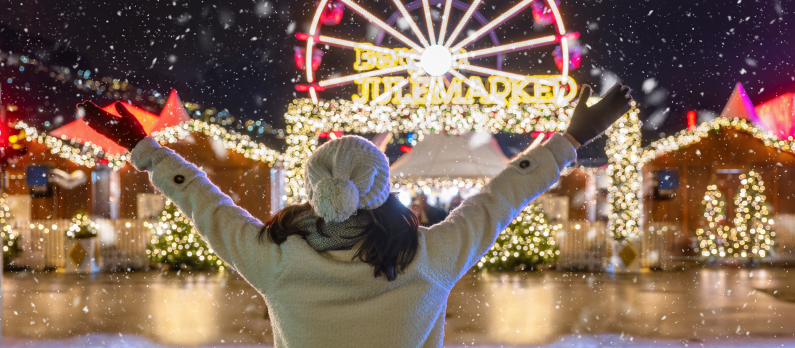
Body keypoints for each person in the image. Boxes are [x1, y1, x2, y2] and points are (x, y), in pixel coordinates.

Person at [78, 83, 632, 347]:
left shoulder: (274, 261)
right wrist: (571, 137)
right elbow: (502, 197)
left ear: (313, 190)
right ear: (384, 188)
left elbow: (202, 200)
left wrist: (143, 148)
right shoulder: (429, 258)